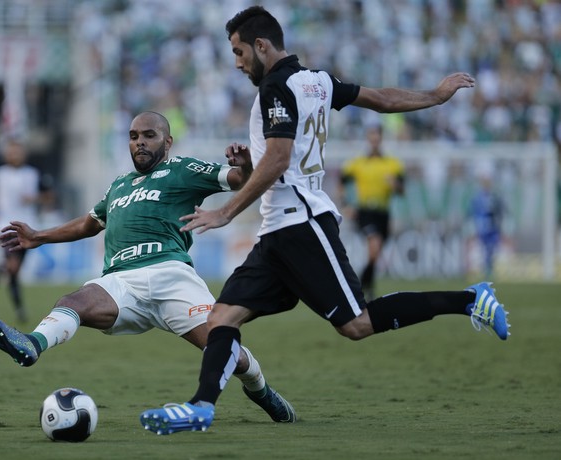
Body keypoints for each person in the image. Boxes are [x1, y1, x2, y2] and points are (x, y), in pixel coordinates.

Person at [140, 5, 511, 435]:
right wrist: (434, 95)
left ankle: (470, 300)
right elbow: (381, 99)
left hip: (302, 224)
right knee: (220, 319)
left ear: (262, 45)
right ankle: (200, 408)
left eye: (240, 53)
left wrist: (225, 210)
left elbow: (280, 160)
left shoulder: (275, 88)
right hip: (277, 232)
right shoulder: (317, 81)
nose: (238, 63)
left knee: (356, 325)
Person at [0, 111, 296, 426]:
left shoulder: (182, 169)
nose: (139, 142)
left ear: (167, 141)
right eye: (133, 137)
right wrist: (38, 236)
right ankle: (32, 344)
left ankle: (263, 392)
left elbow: (239, 179)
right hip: (121, 281)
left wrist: (247, 164)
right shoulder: (118, 185)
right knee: (73, 302)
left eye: (148, 135)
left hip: (172, 277)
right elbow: (89, 224)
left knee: (231, 354)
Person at [0, 139, 51, 323]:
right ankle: (20, 309)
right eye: (11, 151)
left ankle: (1, 268)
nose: (14, 155)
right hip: (4, 226)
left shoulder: (33, 174)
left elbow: (49, 196)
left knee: (15, 269)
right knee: (13, 268)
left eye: (17, 151)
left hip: (27, 228)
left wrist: (34, 199)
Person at [339, 125, 404, 300]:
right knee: (374, 248)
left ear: (381, 139)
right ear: (368, 139)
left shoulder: (392, 164)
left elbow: (402, 190)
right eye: (371, 137)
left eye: (377, 137)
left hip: (383, 213)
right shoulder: (359, 163)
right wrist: (346, 205)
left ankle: (366, 289)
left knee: (375, 255)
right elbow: (342, 180)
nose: (374, 140)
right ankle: (357, 287)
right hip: (365, 211)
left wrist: (395, 185)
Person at [470, 173, 505, 279]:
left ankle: (490, 270)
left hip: (493, 227)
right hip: (483, 227)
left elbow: (500, 211)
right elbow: (474, 212)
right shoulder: (477, 198)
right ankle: (485, 270)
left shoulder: (495, 196)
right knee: (484, 248)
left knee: (491, 248)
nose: (487, 184)